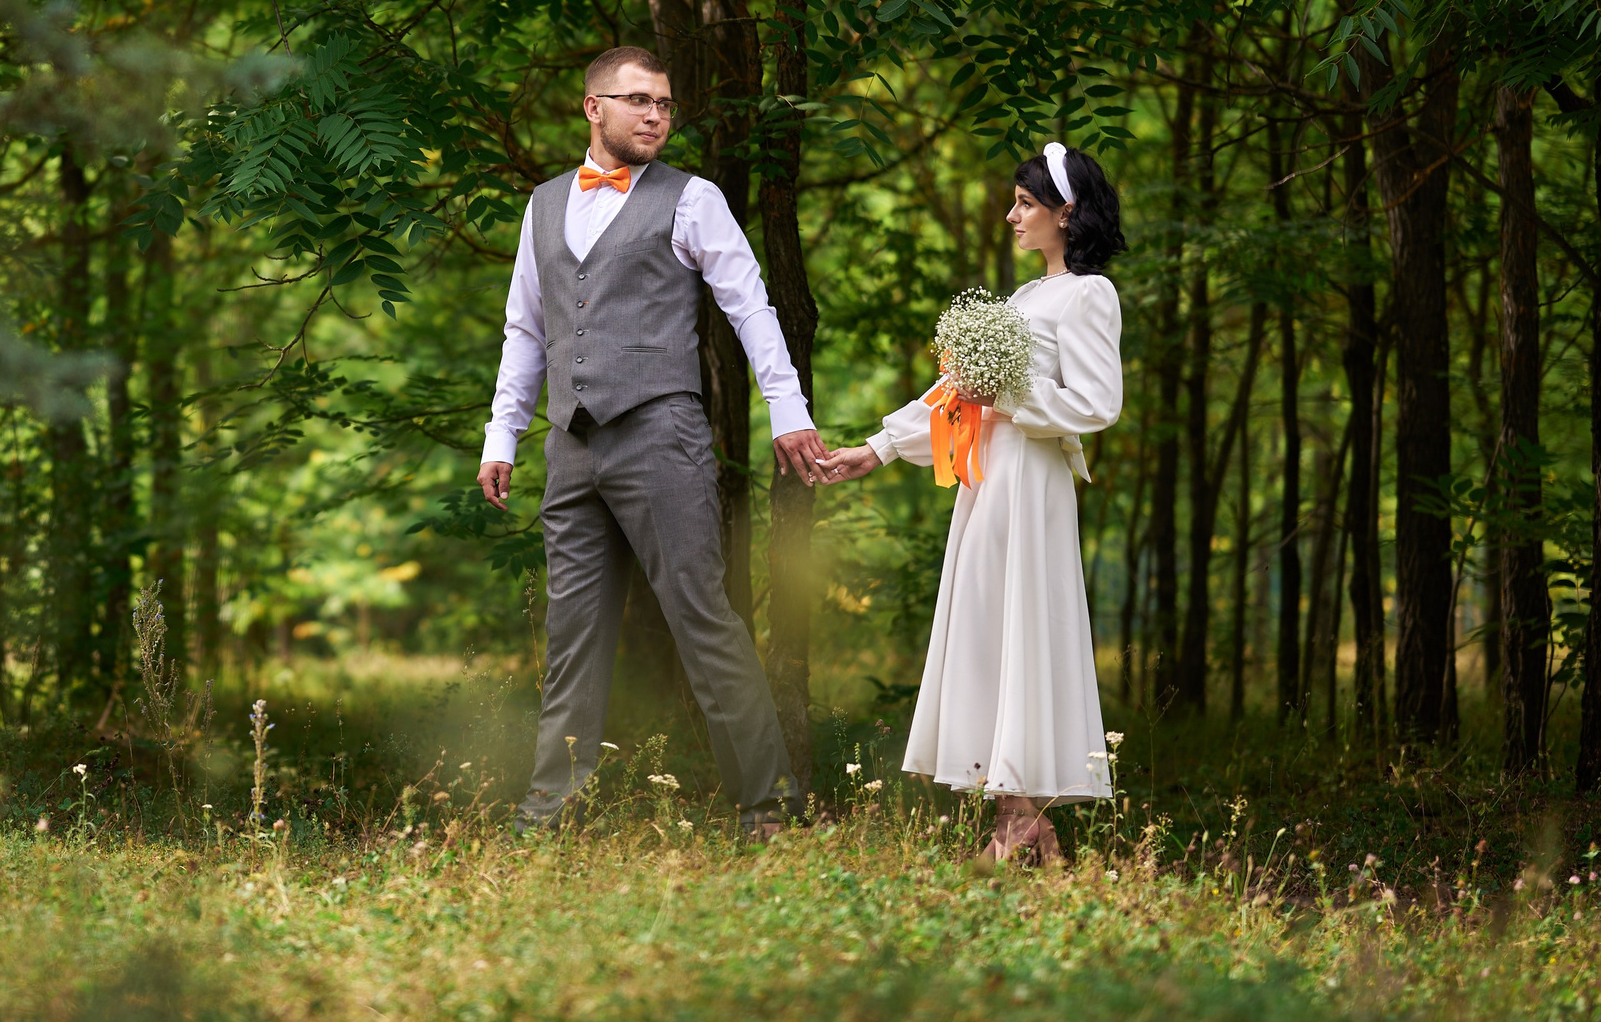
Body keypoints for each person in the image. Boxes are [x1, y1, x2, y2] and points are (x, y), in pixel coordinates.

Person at [478, 46, 830, 842]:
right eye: (639, 101)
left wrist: (788, 408)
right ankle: (550, 816)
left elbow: (750, 305)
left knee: (703, 617)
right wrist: (502, 433)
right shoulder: (541, 206)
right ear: (592, 107)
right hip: (569, 446)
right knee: (571, 637)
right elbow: (525, 330)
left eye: (666, 105)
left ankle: (768, 808)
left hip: (661, 437)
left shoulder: (692, 197)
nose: (657, 117)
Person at [820, 142, 1127, 864]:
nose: (1012, 215)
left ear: (1067, 210)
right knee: (989, 635)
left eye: (1025, 202)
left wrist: (1010, 395)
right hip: (986, 484)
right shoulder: (1021, 299)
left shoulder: (1089, 294)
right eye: (1014, 201)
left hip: (1032, 483)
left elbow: (1097, 403)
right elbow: (955, 398)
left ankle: (1019, 826)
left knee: (1020, 630)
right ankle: (1019, 826)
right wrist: (879, 446)